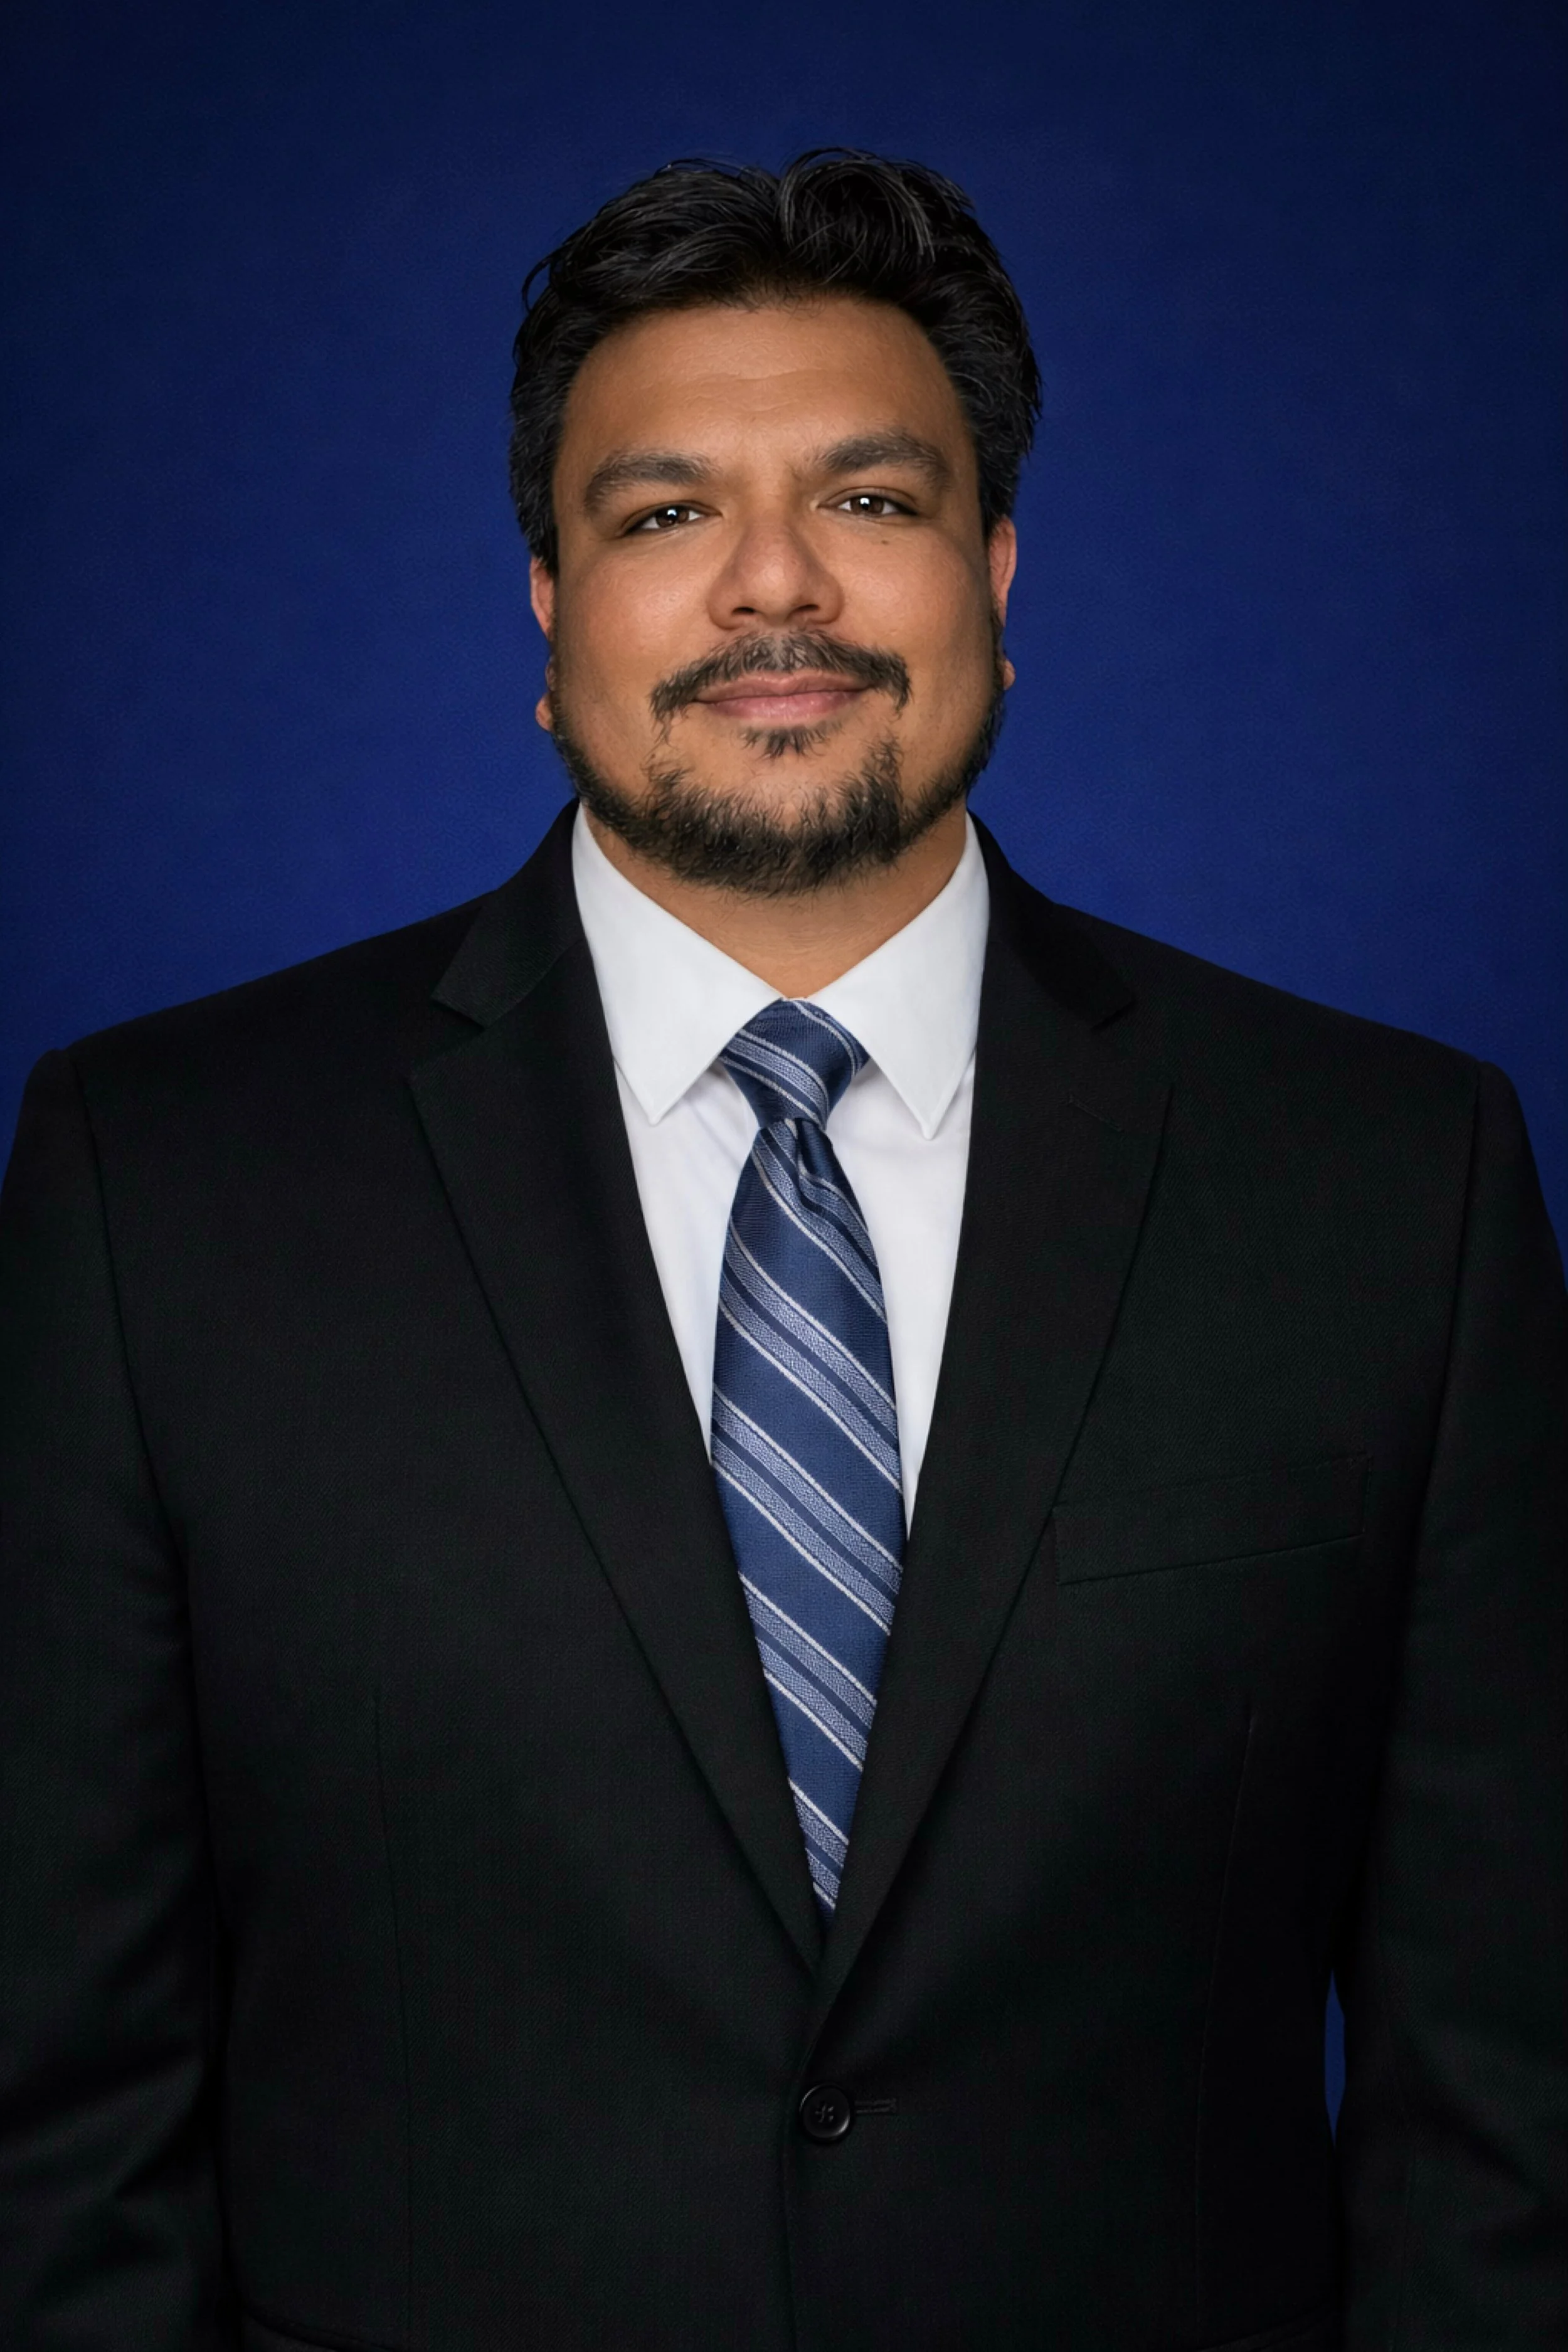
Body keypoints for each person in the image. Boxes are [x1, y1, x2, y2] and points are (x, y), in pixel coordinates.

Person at [0, 150, 1562, 2352]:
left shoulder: (1393, 1178)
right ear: (544, 609)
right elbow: (58, 2096)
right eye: (659, 514)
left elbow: (1504, 2095)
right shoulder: (155, 1175)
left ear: (996, 573)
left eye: (871, 499)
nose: (773, 589)